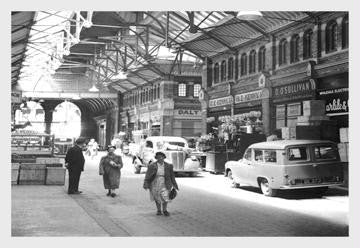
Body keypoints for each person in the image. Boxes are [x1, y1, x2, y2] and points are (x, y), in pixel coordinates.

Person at [143, 152, 179, 216]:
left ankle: (165, 210)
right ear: (156, 158)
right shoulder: (152, 165)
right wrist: (146, 183)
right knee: (157, 196)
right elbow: (147, 175)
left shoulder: (169, 165)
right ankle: (159, 210)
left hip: (165, 182)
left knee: (165, 196)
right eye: (158, 157)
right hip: (155, 182)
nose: (160, 158)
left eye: (161, 157)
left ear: (164, 157)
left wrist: (174, 185)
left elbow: (172, 176)